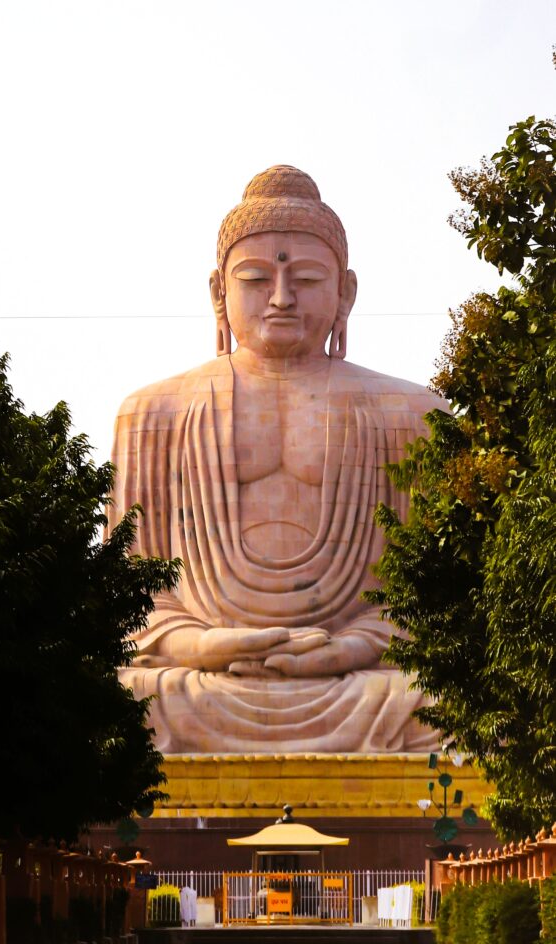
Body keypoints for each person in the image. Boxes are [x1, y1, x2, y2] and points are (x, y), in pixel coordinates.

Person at [109, 165, 441, 754]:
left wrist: (351, 648)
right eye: (257, 278)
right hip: (204, 682)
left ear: (347, 291)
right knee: (118, 701)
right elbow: (135, 600)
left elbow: (430, 601)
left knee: (439, 701)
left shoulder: (410, 414)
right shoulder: (152, 412)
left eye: (309, 279)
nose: (283, 298)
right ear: (218, 291)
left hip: (360, 684)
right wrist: (208, 646)